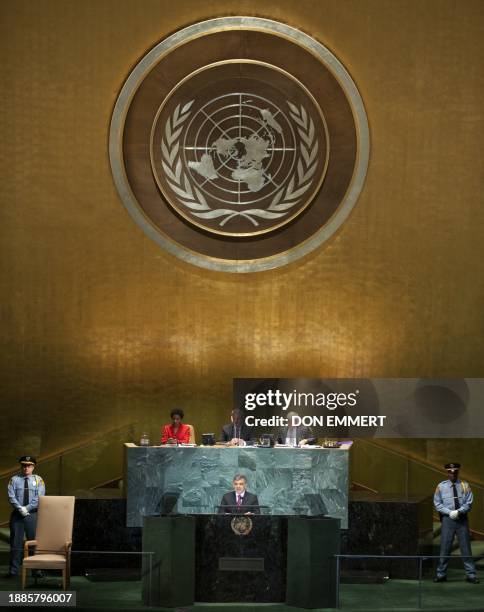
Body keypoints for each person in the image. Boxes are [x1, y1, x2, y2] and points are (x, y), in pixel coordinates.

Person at [433, 462, 479, 584]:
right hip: (448, 520)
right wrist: (449, 512)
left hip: (462, 519)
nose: (453, 474)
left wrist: (459, 511)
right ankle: (441, 574)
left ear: (458, 472)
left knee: (465, 548)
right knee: (445, 548)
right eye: (450, 472)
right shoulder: (441, 487)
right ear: (447, 473)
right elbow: (437, 503)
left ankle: (471, 574)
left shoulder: (464, 485)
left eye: (455, 472)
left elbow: (469, 502)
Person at [6, 456, 45, 578]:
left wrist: (26, 509)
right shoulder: (14, 479)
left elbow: (39, 496)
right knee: (15, 543)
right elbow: (11, 496)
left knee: (33, 542)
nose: (26, 468)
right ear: (21, 466)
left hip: (32, 514)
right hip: (17, 515)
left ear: (33, 466)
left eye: (29, 465)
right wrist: (20, 508)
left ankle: (35, 570)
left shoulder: (39, 480)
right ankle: (14, 571)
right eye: (24, 465)